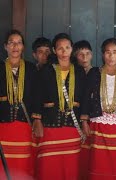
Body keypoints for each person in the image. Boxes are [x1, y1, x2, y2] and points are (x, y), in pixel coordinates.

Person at [32, 33, 86, 180]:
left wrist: (84, 120)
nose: (64, 52)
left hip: (72, 126)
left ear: (71, 49)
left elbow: (85, 97)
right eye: (60, 48)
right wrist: (37, 120)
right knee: (49, 166)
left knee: (70, 167)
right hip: (50, 125)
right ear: (54, 51)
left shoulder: (79, 71)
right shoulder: (46, 70)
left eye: (67, 47)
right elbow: (37, 95)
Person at [80, 38, 116, 180]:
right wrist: (84, 121)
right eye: (108, 52)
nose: (111, 56)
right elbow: (86, 97)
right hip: (98, 125)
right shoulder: (94, 73)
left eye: (115, 52)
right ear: (103, 55)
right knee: (98, 163)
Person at [0, 29, 37, 179]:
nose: (15, 46)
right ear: (5, 46)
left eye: (19, 43)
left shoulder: (31, 69)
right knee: (4, 165)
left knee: (23, 164)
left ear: (23, 47)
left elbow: (36, 96)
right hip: (3, 125)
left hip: (24, 126)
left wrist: (37, 119)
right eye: (11, 42)